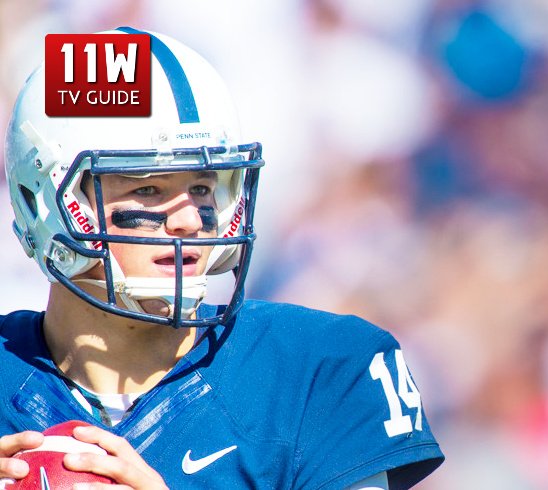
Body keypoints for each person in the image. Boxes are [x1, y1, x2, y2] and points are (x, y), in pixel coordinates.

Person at [0, 27, 443, 489]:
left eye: (203, 188)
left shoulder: (317, 369)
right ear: (47, 202)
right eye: (148, 188)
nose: (190, 220)